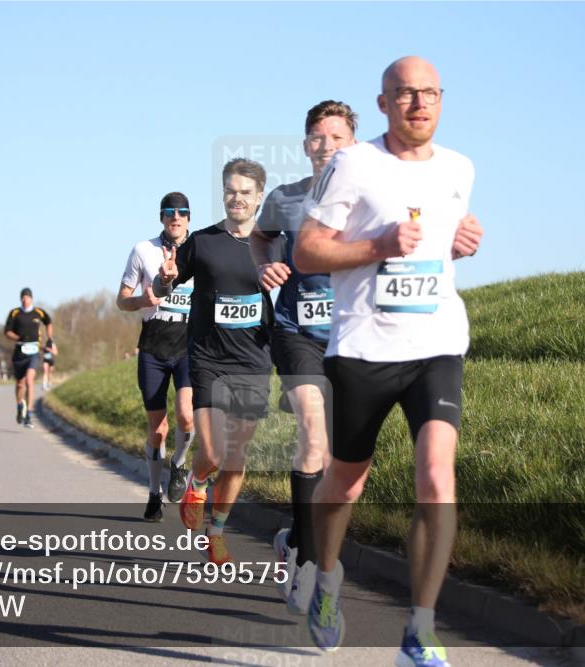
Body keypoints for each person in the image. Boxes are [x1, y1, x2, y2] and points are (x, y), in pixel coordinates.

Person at [294, 56, 484, 665]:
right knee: (347, 478)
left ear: (441, 100)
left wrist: (463, 244)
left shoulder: (460, 168)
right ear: (383, 104)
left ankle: (420, 629)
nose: (419, 104)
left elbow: (440, 250)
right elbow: (307, 252)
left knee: (435, 476)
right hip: (364, 348)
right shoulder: (354, 164)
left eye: (429, 94)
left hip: (437, 344)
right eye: (405, 95)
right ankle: (326, 578)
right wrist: (375, 245)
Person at [249, 100, 357, 614]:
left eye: (337, 137)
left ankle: (295, 540)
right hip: (297, 335)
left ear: (353, 145)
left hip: (352, 339)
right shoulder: (286, 200)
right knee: (313, 435)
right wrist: (264, 268)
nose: (327, 146)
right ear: (305, 145)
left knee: (338, 460)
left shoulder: (370, 201)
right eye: (318, 137)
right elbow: (259, 238)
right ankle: (309, 567)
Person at [154, 159, 273, 566]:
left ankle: (216, 533)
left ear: (259, 196)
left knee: (237, 455)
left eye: (245, 191)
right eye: (230, 190)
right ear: (223, 194)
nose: (236, 198)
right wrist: (164, 279)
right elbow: (164, 281)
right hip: (208, 359)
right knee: (217, 451)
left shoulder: (275, 245)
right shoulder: (201, 242)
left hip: (255, 361)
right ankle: (198, 480)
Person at [117, 192, 198, 522]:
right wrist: (142, 300)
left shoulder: (199, 250)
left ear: (189, 218)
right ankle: (154, 492)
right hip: (153, 342)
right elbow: (122, 299)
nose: (175, 218)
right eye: (169, 212)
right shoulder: (143, 250)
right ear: (161, 217)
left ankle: (179, 464)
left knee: (187, 416)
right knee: (158, 429)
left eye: (181, 213)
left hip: (189, 343)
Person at [4, 288, 54, 429]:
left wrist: (50, 339)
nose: (25, 300)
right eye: (23, 298)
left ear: (31, 299)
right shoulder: (15, 313)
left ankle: (29, 415)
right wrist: (18, 337)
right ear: (21, 299)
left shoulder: (38, 312)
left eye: (27, 297)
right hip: (19, 352)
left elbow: (49, 322)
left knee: (30, 380)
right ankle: (20, 405)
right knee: (20, 384)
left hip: (33, 352)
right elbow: (7, 332)